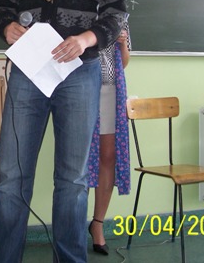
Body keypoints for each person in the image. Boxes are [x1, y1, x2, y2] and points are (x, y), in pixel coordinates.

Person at [0, 0, 127, 262]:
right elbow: (0, 4)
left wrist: (86, 39)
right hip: (27, 74)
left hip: (79, 74)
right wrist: (7, 26)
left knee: (72, 178)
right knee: (11, 176)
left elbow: (116, 12)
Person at [87, 19, 131, 255]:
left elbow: (123, 63)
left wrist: (122, 45)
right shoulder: (79, 8)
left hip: (111, 91)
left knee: (108, 156)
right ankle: (73, 224)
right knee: (79, 160)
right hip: (82, 88)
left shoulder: (119, 16)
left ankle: (97, 224)